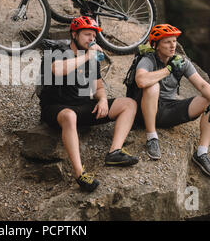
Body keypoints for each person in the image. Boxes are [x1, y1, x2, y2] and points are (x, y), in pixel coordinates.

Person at [39, 16, 138, 192]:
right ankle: (80, 174)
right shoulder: (56, 51)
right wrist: (86, 57)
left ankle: (115, 152)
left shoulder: (91, 58)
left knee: (129, 104)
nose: (91, 39)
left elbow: (98, 86)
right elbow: (58, 69)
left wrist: (101, 100)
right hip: (56, 108)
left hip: (84, 106)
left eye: (93, 36)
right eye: (87, 35)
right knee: (70, 116)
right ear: (74, 34)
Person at [134, 24, 210, 176]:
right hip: (145, 112)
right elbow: (141, 80)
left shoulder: (181, 62)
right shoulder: (147, 59)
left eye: (174, 41)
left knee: (209, 100)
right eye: (167, 42)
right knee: (152, 87)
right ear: (156, 45)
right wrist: (167, 70)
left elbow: (201, 84)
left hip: (169, 111)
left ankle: (201, 153)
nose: (173, 45)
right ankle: (152, 138)